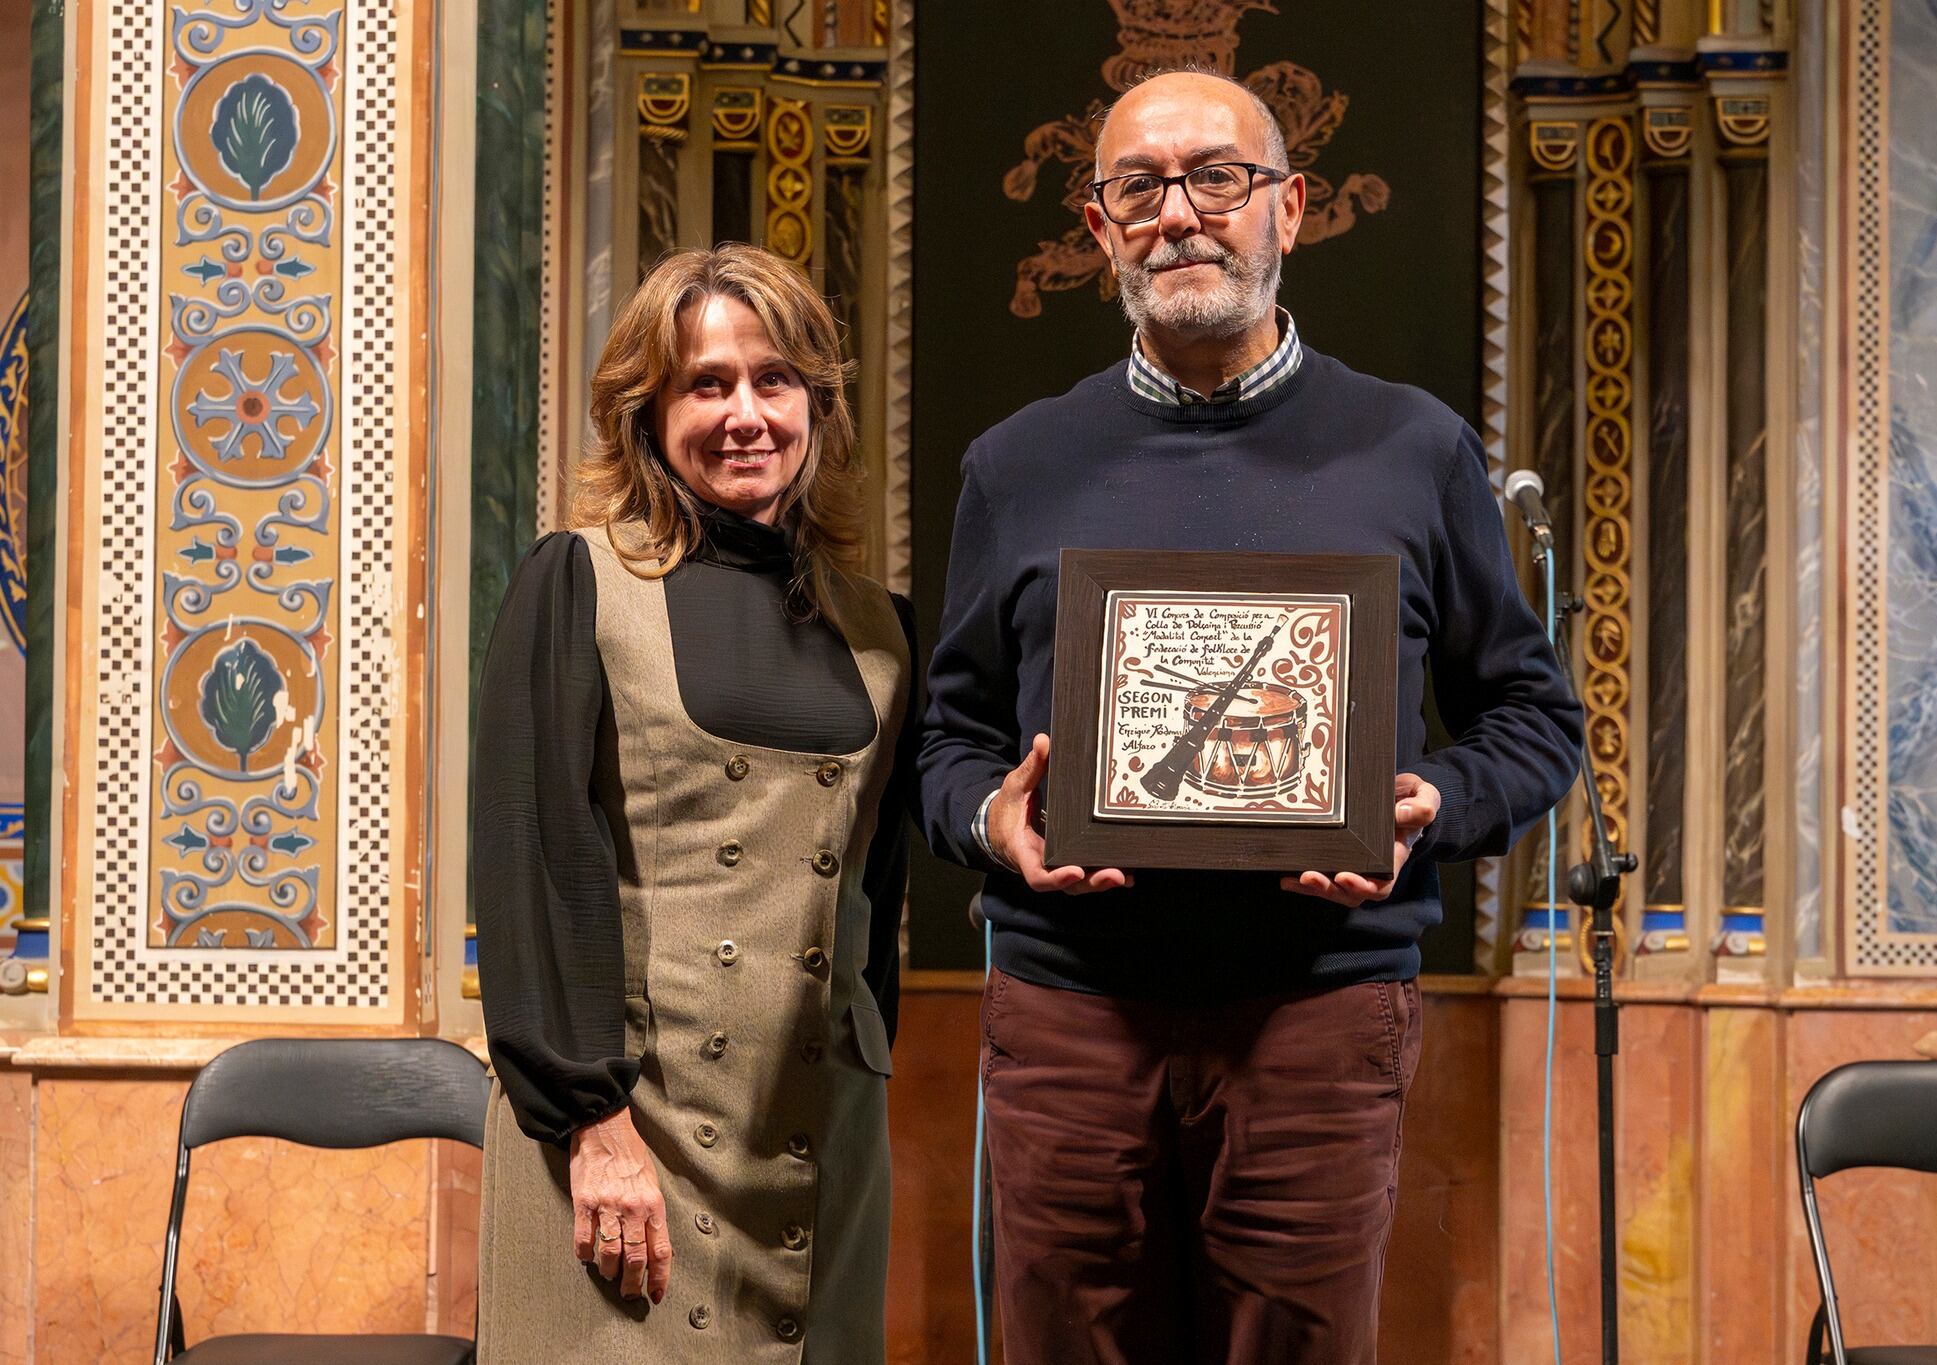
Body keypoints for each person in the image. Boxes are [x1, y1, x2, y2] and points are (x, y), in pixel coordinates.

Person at [918, 70, 1582, 1365]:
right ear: (1102, 228)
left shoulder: (1414, 447)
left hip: (1318, 1018)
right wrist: (993, 821)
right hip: (1070, 1018)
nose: (1181, 215)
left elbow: (1532, 721)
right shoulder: (1017, 465)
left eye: (1217, 178)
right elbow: (947, 745)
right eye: (1139, 188)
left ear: (1291, 208)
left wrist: (1430, 804)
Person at [472, 242, 917, 1363]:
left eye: (774, 381)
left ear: (817, 406)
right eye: (705, 385)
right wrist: (592, 1124)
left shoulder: (884, 629)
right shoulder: (576, 581)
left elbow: (874, 897)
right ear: (646, 412)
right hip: (628, 1129)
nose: (745, 415)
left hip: (817, 1136)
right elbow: (536, 865)